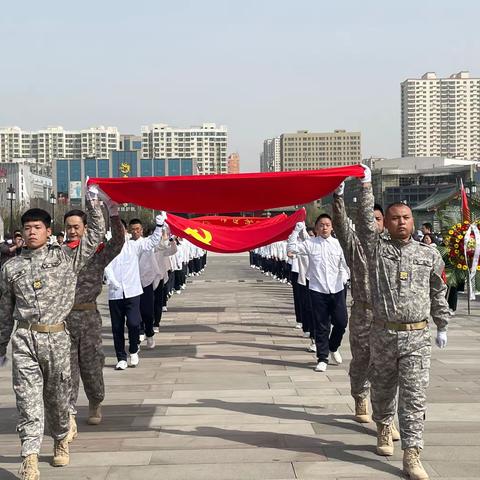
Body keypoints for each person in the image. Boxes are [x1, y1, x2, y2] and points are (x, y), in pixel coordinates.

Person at [0, 184, 104, 479]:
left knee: (58, 398)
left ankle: (60, 439)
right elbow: (4, 312)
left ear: (48, 231)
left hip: (57, 337)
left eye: (37, 227)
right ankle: (29, 455)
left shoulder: (66, 259)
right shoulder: (11, 268)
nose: (32, 232)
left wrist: (94, 203)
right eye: (27, 228)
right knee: (27, 399)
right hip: (25, 339)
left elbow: (94, 235)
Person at [357, 165, 449, 480]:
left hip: (417, 337)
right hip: (383, 333)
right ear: (388, 222)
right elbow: (365, 225)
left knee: (414, 396)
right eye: (395, 218)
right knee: (383, 390)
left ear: (412, 221)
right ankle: (384, 426)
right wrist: (366, 185)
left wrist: (443, 325)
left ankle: (412, 454)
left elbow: (439, 291)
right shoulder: (376, 249)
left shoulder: (429, 254)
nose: (400, 222)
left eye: (405, 218)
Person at [332, 181, 395, 426]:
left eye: (378, 218)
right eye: (371, 218)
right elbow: (340, 225)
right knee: (361, 360)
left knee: (387, 368)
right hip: (363, 313)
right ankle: (360, 395)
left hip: (389, 316)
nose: (375, 223)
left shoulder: (393, 248)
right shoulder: (354, 245)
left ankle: (386, 418)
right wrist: (338, 196)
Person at [64, 194, 124, 438]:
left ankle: (95, 401)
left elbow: (118, 242)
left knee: (91, 367)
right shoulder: (58, 254)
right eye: (68, 227)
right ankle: (68, 414)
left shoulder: (96, 254)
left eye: (76, 227)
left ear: (85, 228)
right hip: (63, 320)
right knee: (66, 371)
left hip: (88, 318)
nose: (72, 231)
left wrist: (114, 213)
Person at [288, 214, 350, 373]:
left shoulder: (337, 244)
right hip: (317, 289)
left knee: (342, 322)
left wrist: (344, 277)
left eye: (327, 225)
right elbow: (291, 250)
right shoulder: (310, 244)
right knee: (322, 326)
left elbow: (344, 265)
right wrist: (295, 231)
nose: (324, 227)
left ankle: (333, 346)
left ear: (332, 227)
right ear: (316, 228)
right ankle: (322, 358)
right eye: (321, 225)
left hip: (337, 289)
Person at [104, 213, 166, 369]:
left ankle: (133, 350)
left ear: (125, 231)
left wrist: (159, 226)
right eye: (114, 229)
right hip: (115, 293)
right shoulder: (108, 248)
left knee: (133, 323)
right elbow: (105, 265)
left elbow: (151, 242)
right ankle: (121, 358)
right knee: (117, 327)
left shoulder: (133, 246)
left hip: (132, 291)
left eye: (120, 229)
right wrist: (111, 278)